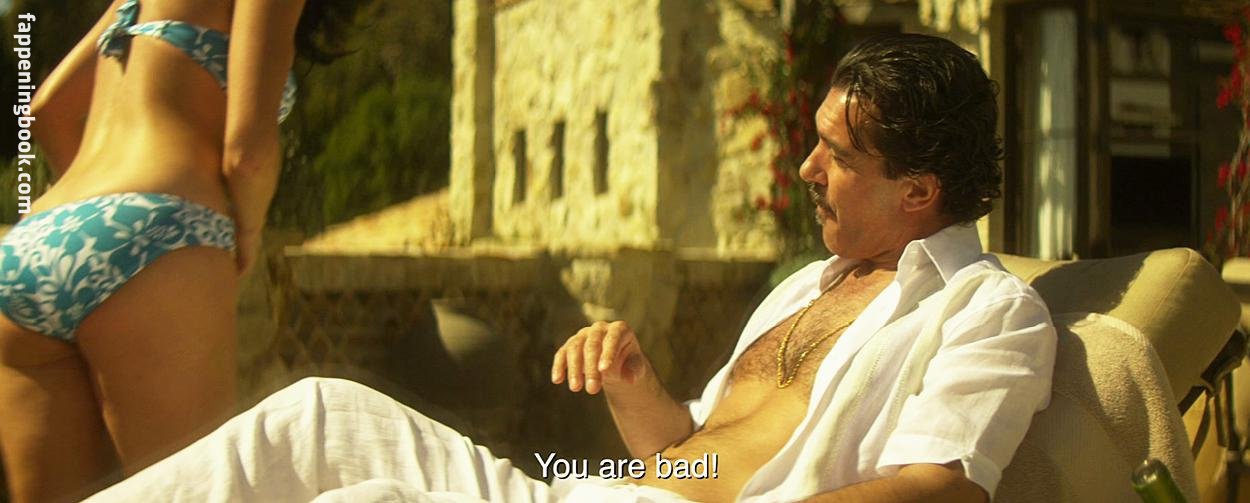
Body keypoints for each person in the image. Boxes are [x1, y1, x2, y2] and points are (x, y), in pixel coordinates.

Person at [82, 33, 1056, 502]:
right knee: (318, 412)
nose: (804, 169)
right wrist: (638, 392)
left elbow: (940, 487)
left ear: (918, 191)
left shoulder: (985, 312)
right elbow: (693, 452)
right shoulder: (808, 285)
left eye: (836, 157)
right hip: (593, 496)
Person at [0, 1, 354, 501]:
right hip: (156, 232)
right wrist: (248, 232)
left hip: (32, 244)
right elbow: (248, 155)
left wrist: (91, 225)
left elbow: (46, 110)